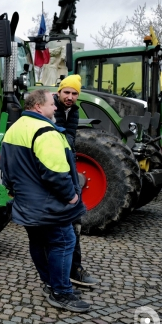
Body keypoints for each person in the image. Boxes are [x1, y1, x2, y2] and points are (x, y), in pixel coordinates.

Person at [0, 89, 90, 313]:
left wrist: (16, 191)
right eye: (52, 104)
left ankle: (52, 283)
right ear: (39, 107)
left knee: (38, 241)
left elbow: (6, 170)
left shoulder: (14, 129)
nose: (56, 107)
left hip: (27, 202)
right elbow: (56, 174)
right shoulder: (45, 131)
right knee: (64, 241)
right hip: (48, 204)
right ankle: (61, 291)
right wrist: (71, 195)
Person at [55, 74, 100, 287]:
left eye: (74, 93)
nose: (70, 97)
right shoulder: (51, 109)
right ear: (59, 92)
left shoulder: (74, 111)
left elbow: (69, 139)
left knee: (74, 219)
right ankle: (62, 273)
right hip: (53, 165)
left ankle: (73, 268)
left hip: (65, 163)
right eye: (67, 92)